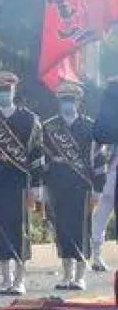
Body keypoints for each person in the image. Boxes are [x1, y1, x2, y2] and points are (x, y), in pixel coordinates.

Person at [0, 72, 43, 297]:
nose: (3, 93)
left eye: (7, 89)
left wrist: (37, 185)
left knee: (19, 228)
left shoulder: (29, 120)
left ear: (14, 91)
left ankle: (20, 279)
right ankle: (5, 279)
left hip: (20, 180)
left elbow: (37, 155)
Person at [44, 81, 107, 292]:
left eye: (71, 100)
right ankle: (66, 274)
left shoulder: (90, 127)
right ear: (58, 102)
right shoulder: (50, 127)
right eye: (63, 100)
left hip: (82, 186)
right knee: (62, 230)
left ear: (79, 101)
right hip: (57, 185)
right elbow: (44, 160)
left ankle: (80, 275)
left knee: (81, 229)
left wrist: (98, 189)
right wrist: (43, 187)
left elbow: (99, 161)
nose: (67, 104)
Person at [90, 153, 117, 272]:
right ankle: (96, 257)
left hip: (108, 177)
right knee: (100, 219)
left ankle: (96, 258)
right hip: (108, 178)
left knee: (99, 220)